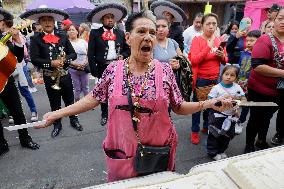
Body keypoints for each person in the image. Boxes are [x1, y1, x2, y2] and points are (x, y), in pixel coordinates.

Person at [36, 10, 233, 182]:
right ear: (128, 38)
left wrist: (209, 103)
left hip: (158, 151)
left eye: (152, 33)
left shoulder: (164, 71)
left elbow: (179, 106)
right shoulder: (113, 70)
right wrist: (55, 114)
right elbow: (91, 99)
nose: (148, 37)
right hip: (122, 152)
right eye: (141, 31)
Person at [20, 7, 83, 138]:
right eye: (44, 20)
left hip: (65, 75)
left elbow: (73, 54)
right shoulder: (36, 39)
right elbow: (35, 59)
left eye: (50, 20)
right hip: (50, 77)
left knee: (70, 101)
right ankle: (57, 124)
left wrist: (65, 59)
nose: (47, 22)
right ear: (40, 23)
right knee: (55, 103)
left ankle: (74, 120)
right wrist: (50, 63)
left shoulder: (62, 36)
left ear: (54, 21)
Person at [0, 8, 40, 156]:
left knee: (18, 112)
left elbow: (19, 58)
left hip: (6, 81)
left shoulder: (6, 40)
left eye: (1, 22)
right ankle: (1, 144)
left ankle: (25, 139)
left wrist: (17, 40)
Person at [245, 8, 284, 153]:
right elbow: (258, 66)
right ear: (274, 20)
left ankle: (261, 141)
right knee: (256, 118)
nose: (283, 22)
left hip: (279, 91)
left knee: (267, 117)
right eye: (280, 18)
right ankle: (249, 145)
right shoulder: (265, 39)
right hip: (260, 90)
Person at [86, 3, 130, 126]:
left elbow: (127, 49)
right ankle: (104, 114)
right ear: (102, 19)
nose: (110, 19)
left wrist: (123, 55)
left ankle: (120, 112)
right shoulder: (95, 33)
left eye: (112, 17)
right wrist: (94, 70)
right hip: (102, 67)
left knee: (120, 90)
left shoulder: (120, 33)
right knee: (104, 92)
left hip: (118, 66)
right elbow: (90, 53)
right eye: (107, 17)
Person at [189, 13, 227, 145]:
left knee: (211, 105)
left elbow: (225, 60)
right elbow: (194, 60)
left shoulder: (218, 40)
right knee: (198, 106)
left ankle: (206, 126)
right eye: (208, 24)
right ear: (203, 25)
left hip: (215, 79)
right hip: (201, 79)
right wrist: (208, 47)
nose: (211, 27)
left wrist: (222, 55)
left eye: (214, 24)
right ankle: (194, 131)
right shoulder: (197, 40)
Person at [207, 65, 246, 160]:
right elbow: (210, 100)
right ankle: (212, 152)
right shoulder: (216, 88)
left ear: (236, 78)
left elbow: (243, 98)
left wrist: (238, 102)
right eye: (226, 74)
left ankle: (221, 150)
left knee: (227, 135)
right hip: (217, 116)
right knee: (215, 134)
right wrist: (220, 101)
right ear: (222, 75)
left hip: (231, 116)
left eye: (232, 75)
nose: (228, 77)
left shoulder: (237, 87)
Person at [236, 30, 261, 134]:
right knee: (236, 102)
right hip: (240, 82)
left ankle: (241, 122)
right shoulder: (243, 53)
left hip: (251, 84)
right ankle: (234, 119)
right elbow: (239, 66)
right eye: (248, 40)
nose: (249, 42)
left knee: (246, 104)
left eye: (252, 40)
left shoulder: (259, 55)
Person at [67, 25, 89, 102]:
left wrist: (85, 63)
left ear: (77, 31)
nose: (71, 31)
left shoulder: (83, 42)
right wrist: (75, 65)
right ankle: (77, 104)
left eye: (73, 30)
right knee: (77, 88)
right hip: (72, 69)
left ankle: (87, 103)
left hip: (84, 68)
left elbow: (88, 54)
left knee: (85, 87)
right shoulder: (66, 43)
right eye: (69, 30)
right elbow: (65, 57)